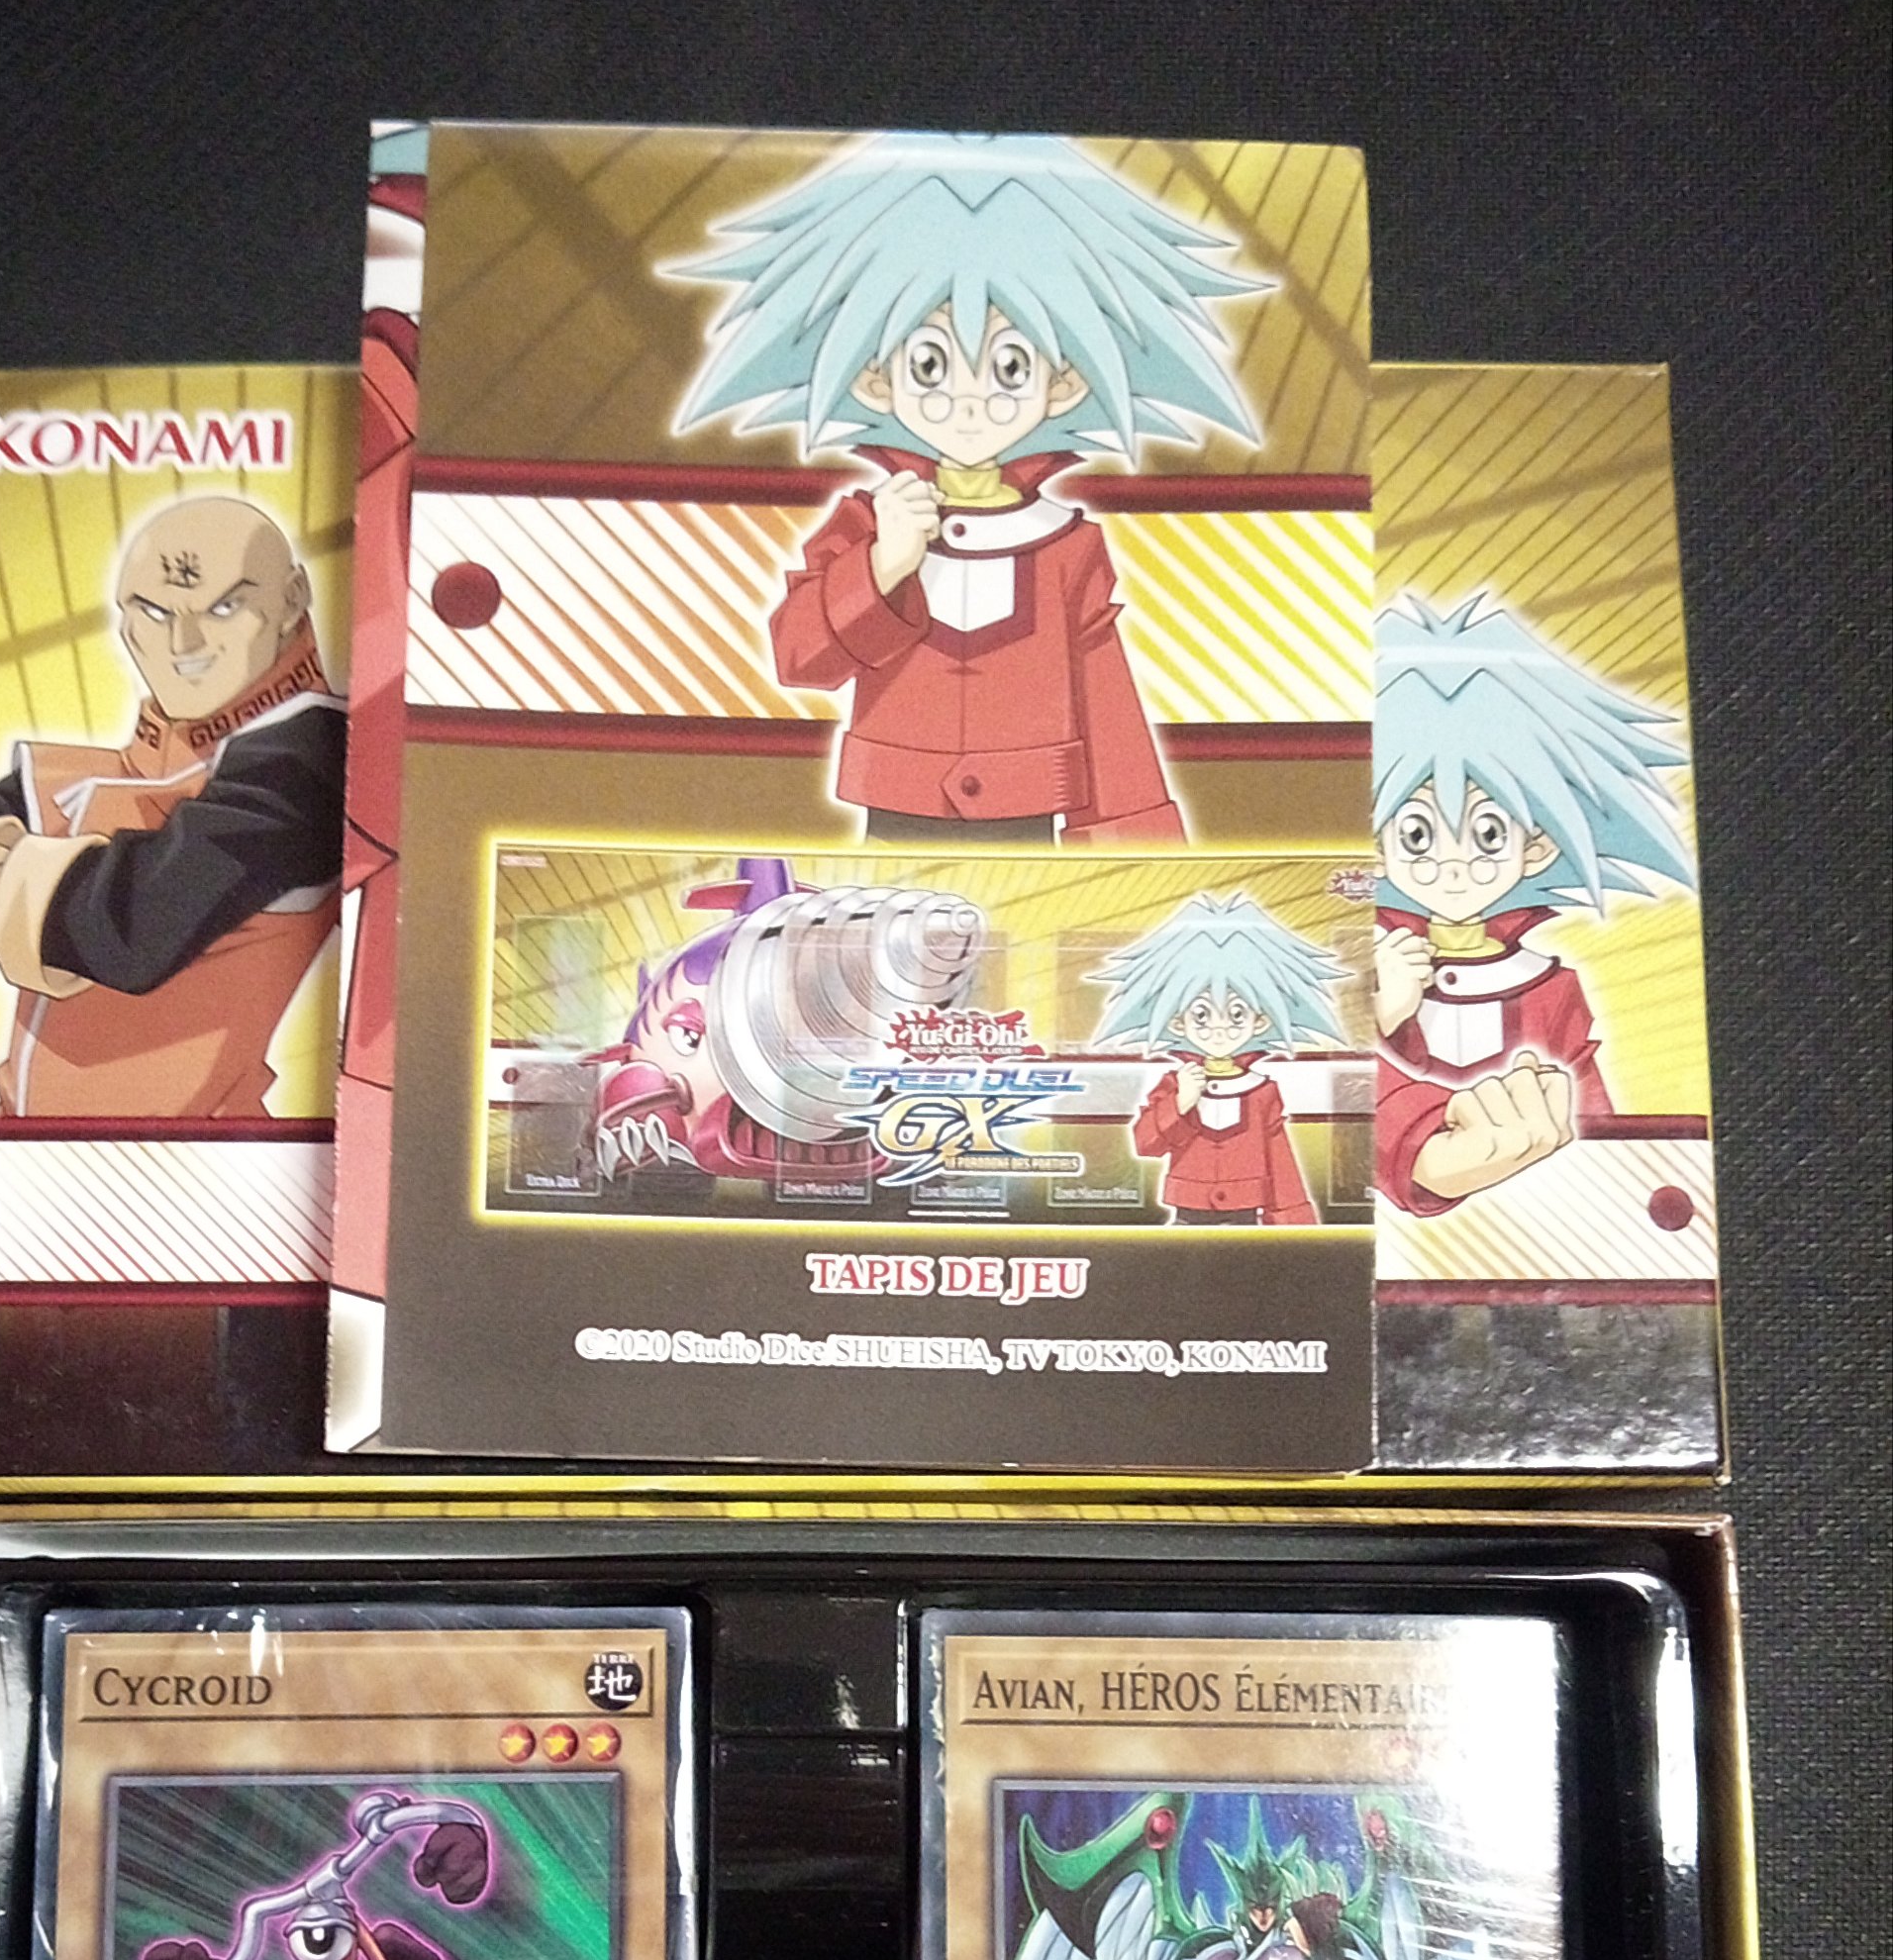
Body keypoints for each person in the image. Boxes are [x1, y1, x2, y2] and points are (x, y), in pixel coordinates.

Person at [671, 134, 1264, 847]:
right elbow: (800, 662)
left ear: (1064, 384)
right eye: (929, 364)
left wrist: (1132, 858)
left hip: (1027, 825)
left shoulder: (1067, 547)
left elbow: (1107, 710)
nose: (969, 401)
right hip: (893, 820)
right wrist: (880, 566)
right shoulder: (867, 524)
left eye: (1011, 367)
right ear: (875, 378)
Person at [0, 493, 345, 1118]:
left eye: (224, 607)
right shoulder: (107, 773)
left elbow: (140, 922)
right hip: (21, 1142)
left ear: (292, 601)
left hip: (196, 1155)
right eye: (154, 612)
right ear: (125, 622)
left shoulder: (310, 754)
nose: (184, 642)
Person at [1372, 589, 1693, 1212]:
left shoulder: (1552, 988)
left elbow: (1597, 1131)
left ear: (1538, 846)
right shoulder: (1365, 974)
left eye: (1490, 833)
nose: (1453, 864)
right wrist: (1383, 1015)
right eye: (1416, 834)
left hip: (1535, 1217)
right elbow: (1329, 1107)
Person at [1087, 887, 1349, 1225]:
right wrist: (1180, 1103)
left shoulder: (1261, 1091)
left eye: (1237, 1014)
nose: (1219, 1029)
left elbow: (1280, 1162)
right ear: (1178, 1021)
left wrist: (1295, 1232)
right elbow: (1146, 1145)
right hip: (1187, 1216)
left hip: (1244, 1218)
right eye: (1201, 1014)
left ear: (1260, 1020)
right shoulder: (1175, 1084)